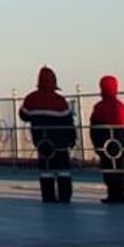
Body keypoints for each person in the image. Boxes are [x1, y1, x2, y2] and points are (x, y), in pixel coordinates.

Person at [19, 67, 78, 203]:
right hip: (61, 142)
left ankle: (48, 196)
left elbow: (23, 115)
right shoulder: (60, 101)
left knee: (46, 168)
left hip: (41, 141)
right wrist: (72, 138)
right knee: (63, 169)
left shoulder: (32, 99)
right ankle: (65, 196)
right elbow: (69, 121)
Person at [89, 74, 124, 204]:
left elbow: (94, 126)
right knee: (120, 166)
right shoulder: (122, 107)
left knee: (109, 168)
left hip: (105, 142)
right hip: (120, 141)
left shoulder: (99, 107)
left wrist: (97, 145)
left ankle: (114, 194)